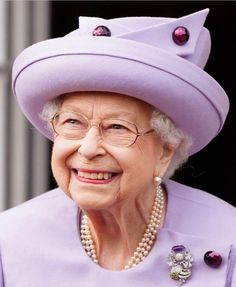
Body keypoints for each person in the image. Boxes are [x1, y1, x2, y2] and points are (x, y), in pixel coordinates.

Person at [0, 8, 235, 286]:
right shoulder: (10, 240)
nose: (88, 149)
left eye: (117, 128)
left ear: (165, 151)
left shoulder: (227, 235)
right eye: (73, 122)